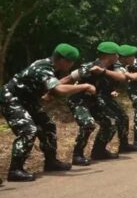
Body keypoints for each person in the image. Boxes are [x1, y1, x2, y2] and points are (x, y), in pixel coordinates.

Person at [1, 44, 92, 181]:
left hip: (27, 100)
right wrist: (85, 86)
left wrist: (49, 93)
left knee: (48, 125)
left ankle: (51, 162)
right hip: (11, 98)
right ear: (62, 60)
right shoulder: (43, 67)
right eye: (71, 62)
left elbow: (53, 86)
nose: (71, 65)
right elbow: (59, 90)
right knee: (28, 130)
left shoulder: (50, 67)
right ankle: (15, 170)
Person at [67, 42, 128, 164]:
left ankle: (98, 151)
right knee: (88, 124)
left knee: (110, 122)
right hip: (79, 100)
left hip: (93, 100)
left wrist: (103, 72)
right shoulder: (90, 66)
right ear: (109, 55)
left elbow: (122, 78)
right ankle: (77, 155)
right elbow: (69, 78)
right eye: (116, 54)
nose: (117, 57)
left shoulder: (111, 67)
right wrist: (51, 91)